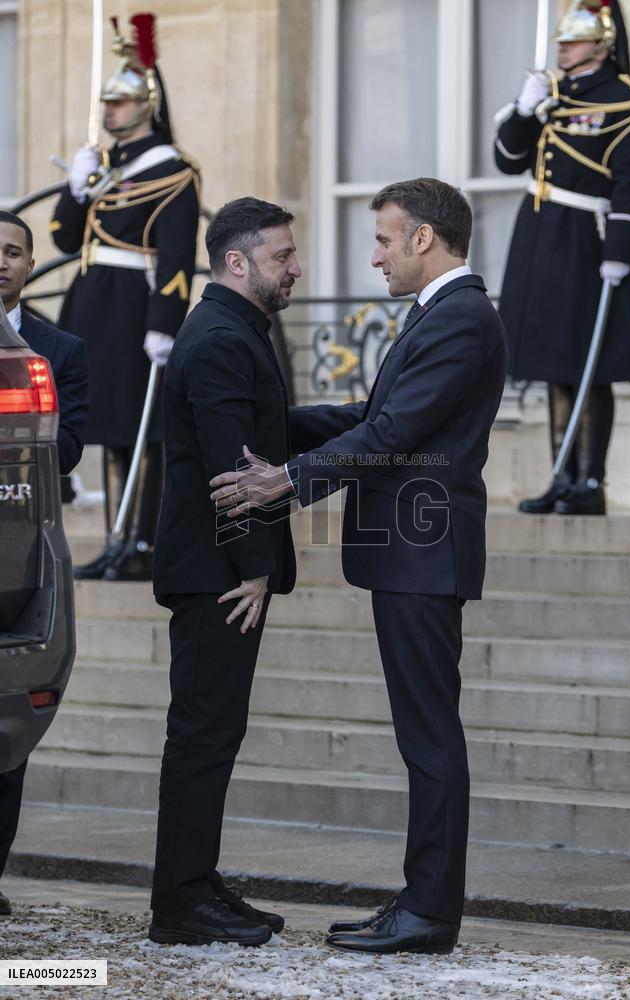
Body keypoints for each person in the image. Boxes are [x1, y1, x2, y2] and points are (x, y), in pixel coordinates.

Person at [212, 178, 508, 955]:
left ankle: (430, 913)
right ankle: (419, 900)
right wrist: (272, 426)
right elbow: (372, 419)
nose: (372, 255)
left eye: (383, 239)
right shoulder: (437, 315)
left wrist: (290, 478)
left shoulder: (463, 316)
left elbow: (396, 431)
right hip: (408, 556)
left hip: (425, 553)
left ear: (422, 239)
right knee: (424, 736)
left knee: (430, 740)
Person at [148, 198, 300, 946]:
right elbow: (231, 469)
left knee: (215, 731)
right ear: (236, 262)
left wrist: (370, 422)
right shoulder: (216, 338)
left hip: (223, 566)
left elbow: (266, 432)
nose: (295, 267)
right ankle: (178, 904)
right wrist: (254, 568)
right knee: (203, 734)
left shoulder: (234, 329)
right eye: (282, 256)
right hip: (219, 573)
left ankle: (196, 881)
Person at [50, 13, 200, 579]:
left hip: (133, 307)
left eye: (120, 102)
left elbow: (177, 254)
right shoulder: (107, 165)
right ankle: (118, 540)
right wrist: (76, 187)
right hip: (93, 300)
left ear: (147, 105)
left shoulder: (173, 170)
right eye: (106, 102)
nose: (108, 111)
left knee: (138, 428)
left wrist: (165, 320)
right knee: (108, 426)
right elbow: (65, 237)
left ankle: (138, 543)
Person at [495, 0, 630, 516]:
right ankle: (561, 476)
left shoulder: (628, 102)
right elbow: (507, 161)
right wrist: (524, 110)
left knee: (590, 363)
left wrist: (621, 254)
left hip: (586, 239)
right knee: (551, 363)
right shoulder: (549, 94)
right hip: (540, 234)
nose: (561, 48)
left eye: (573, 40)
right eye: (561, 41)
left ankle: (590, 482)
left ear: (602, 45)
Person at [0, 211, 89, 917]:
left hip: (16, 556)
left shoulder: (59, 349)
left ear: (31, 264)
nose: (0, 260)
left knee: (7, 744)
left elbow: (70, 451)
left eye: (12, 251)